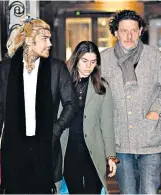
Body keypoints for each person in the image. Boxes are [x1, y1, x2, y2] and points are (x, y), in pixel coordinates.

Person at [0, 16, 77, 194]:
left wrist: (55, 130)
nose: (49, 43)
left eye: (49, 38)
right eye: (44, 39)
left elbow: (71, 103)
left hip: (45, 146)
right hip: (14, 147)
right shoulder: (6, 67)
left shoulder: (56, 67)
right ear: (29, 40)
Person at [100, 10, 161, 194]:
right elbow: (97, 94)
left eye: (133, 30)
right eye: (124, 30)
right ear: (116, 32)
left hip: (150, 139)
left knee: (149, 191)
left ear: (140, 30)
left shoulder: (155, 57)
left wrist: (156, 111)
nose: (129, 35)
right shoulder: (104, 59)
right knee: (128, 192)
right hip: (120, 141)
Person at [64, 41, 118, 194]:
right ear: (76, 60)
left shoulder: (102, 87)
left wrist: (111, 156)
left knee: (93, 190)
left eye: (93, 62)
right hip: (69, 149)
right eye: (84, 61)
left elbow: (107, 124)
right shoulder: (63, 84)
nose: (88, 66)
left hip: (94, 150)